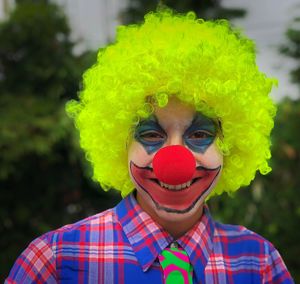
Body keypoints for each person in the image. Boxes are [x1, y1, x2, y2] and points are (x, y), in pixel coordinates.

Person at [6, 8, 294, 284]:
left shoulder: (259, 263)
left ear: (230, 145)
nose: (176, 161)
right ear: (120, 143)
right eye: (152, 135)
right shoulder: (55, 260)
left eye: (199, 135)